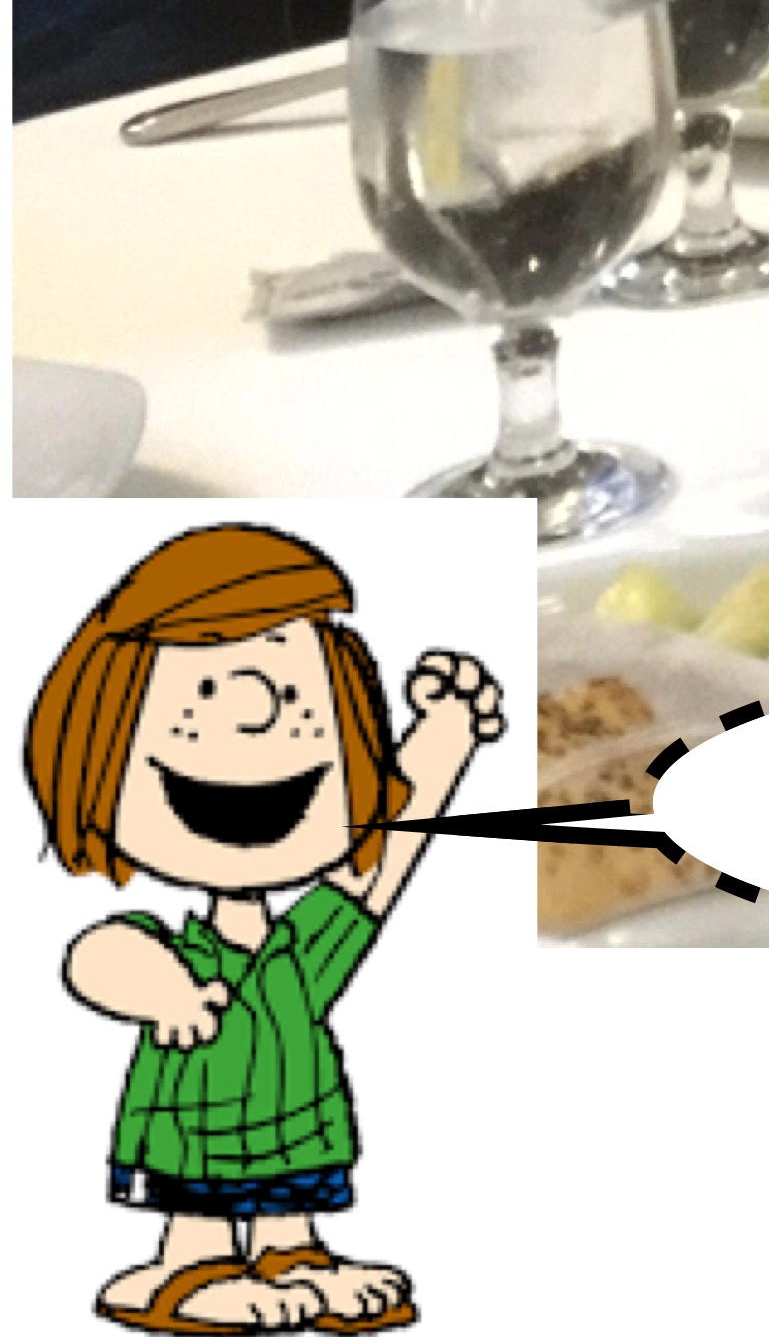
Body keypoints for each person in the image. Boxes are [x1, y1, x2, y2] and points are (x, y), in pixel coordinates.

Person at [29, 522, 501, 1336]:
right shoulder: (182, 950)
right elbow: (96, 956)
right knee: (203, 1217)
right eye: (204, 686)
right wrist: (162, 991)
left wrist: (447, 734)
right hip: (190, 1133)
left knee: (289, 1215)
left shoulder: (301, 948)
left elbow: (382, 860)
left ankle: (294, 1254)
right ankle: (186, 1268)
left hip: (299, 1136)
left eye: (292, 693)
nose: (254, 713)